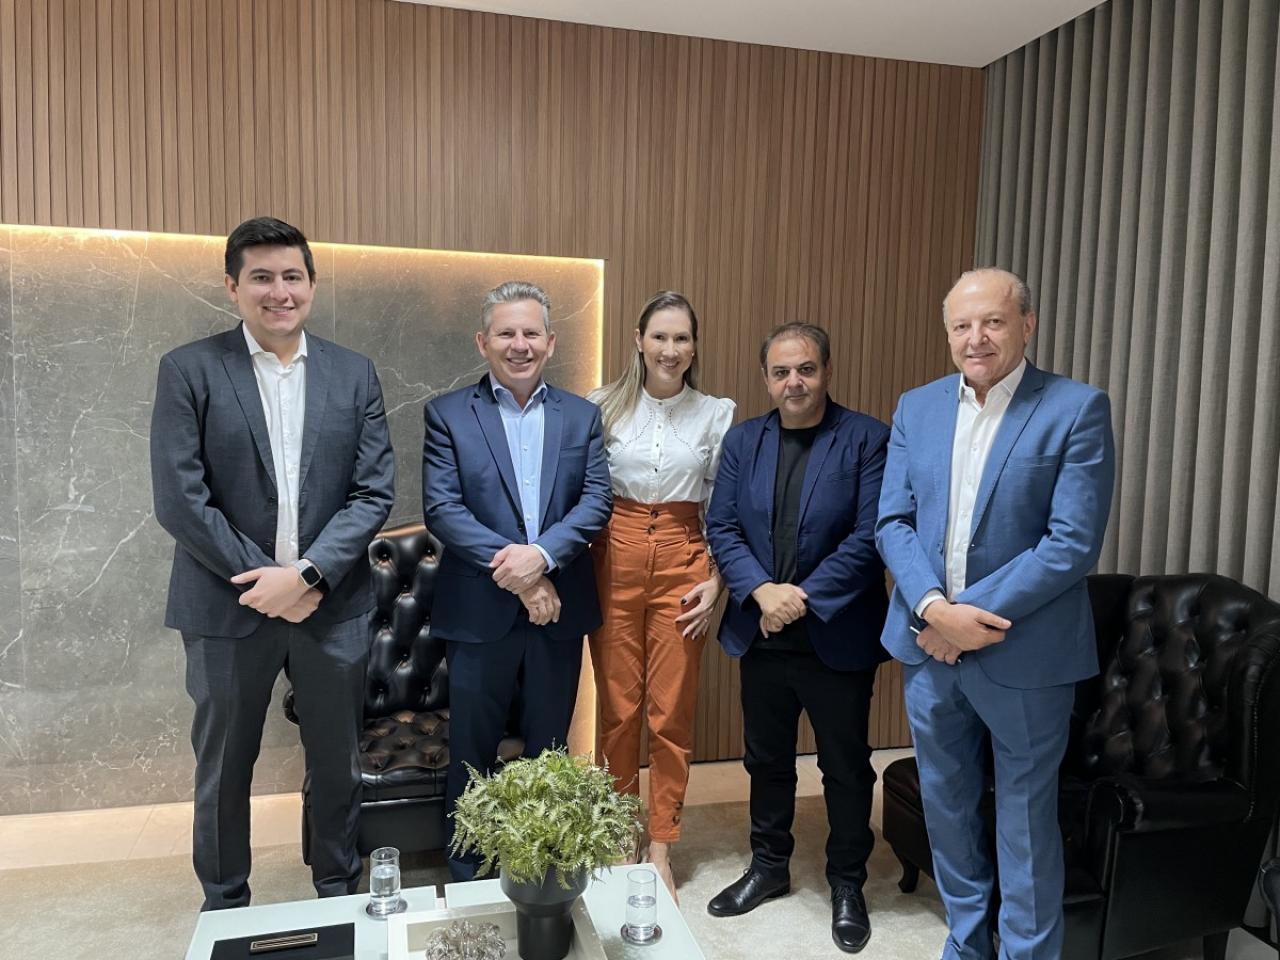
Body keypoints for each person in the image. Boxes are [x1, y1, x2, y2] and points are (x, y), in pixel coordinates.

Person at [150, 216, 396, 910]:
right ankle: (224, 904)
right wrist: (268, 582)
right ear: (233, 287)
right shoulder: (189, 369)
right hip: (226, 605)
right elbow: (180, 499)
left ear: (312, 285)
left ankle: (337, 890)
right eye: (261, 277)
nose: (278, 291)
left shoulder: (354, 373)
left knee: (338, 764)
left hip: (332, 606)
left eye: (292, 276)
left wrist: (308, 575)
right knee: (224, 767)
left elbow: (373, 491)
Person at [875, 268, 1115, 960]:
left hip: (1026, 654)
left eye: (993, 322)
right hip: (929, 650)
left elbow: (1071, 542)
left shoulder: (1076, 408)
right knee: (947, 808)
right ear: (947, 332)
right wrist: (932, 609)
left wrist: (962, 620)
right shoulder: (917, 408)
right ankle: (967, 941)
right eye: (962, 325)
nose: (975, 338)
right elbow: (893, 521)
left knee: (1026, 823)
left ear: (1027, 325)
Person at [705, 323, 889, 954]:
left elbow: (870, 536)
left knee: (844, 766)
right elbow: (722, 527)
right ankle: (769, 867)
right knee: (766, 759)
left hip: (836, 634)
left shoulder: (867, 438)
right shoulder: (742, 441)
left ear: (826, 371)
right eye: (781, 372)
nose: (794, 383)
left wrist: (797, 599)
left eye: (806, 369)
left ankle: (847, 881)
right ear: (766, 378)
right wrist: (761, 592)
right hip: (761, 632)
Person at [422, 280, 613, 881]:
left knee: (550, 749)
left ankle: (541, 872)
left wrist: (544, 557)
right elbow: (443, 509)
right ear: (483, 342)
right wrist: (523, 574)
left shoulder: (582, 416)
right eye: (506, 332)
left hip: (559, 611)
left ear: (551, 342)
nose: (519, 344)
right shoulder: (448, 414)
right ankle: (467, 870)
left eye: (531, 332)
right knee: (471, 752)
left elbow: (597, 500)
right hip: (480, 612)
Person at [587, 291, 735, 899]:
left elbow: (722, 504)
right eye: (659, 337)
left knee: (670, 712)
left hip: (684, 556)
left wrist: (718, 580)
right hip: (613, 555)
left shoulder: (716, 413)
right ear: (639, 341)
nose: (670, 350)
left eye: (681, 339)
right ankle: (621, 832)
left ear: (694, 347)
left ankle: (661, 844)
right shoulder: (601, 406)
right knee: (618, 710)